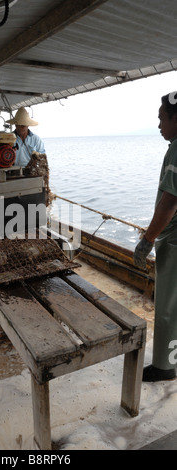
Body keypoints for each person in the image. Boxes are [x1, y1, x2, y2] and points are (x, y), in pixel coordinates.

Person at [134, 92, 177, 382]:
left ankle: (164, 366)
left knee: (168, 306)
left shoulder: (176, 150)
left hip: (174, 244)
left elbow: (170, 201)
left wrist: (148, 239)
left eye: (162, 118)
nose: (159, 124)